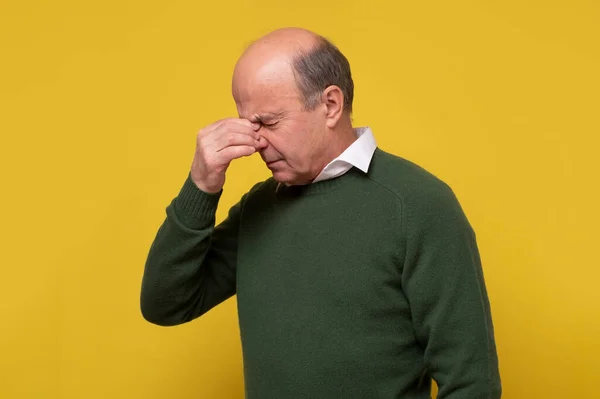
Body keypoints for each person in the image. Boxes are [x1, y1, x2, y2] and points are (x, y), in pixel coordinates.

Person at [140, 27, 501, 399]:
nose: (256, 140)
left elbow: (472, 382)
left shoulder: (417, 204)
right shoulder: (258, 208)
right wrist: (200, 185)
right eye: (249, 124)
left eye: (269, 121)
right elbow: (165, 304)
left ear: (330, 105)